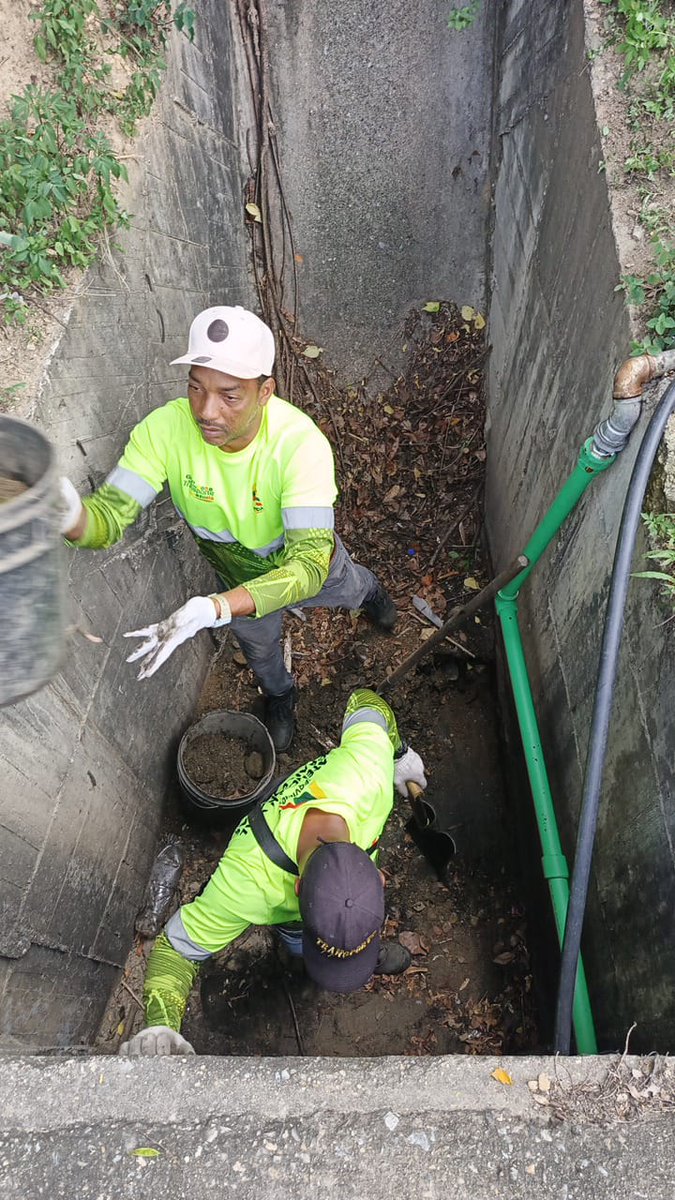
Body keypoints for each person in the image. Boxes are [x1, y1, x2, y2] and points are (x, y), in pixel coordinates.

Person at [59, 305, 396, 750]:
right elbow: (106, 519)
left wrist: (214, 609)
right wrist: (69, 517)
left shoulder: (299, 445)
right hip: (239, 581)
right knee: (260, 651)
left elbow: (310, 566)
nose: (206, 411)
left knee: (347, 585)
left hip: (304, 564)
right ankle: (280, 696)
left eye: (229, 395)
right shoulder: (165, 431)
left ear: (265, 391)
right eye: (195, 388)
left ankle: (371, 595)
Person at [119, 688, 426, 1056]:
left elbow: (367, 703)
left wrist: (396, 753)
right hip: (281, 898)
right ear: (295, 891)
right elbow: (176, 950)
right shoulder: (246, 884)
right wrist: (161, 1024)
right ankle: (306, 948)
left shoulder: (367, 776)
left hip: (303, 894)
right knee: (298, 940)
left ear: (379, 880)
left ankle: (352, 950)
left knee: (320, 936)